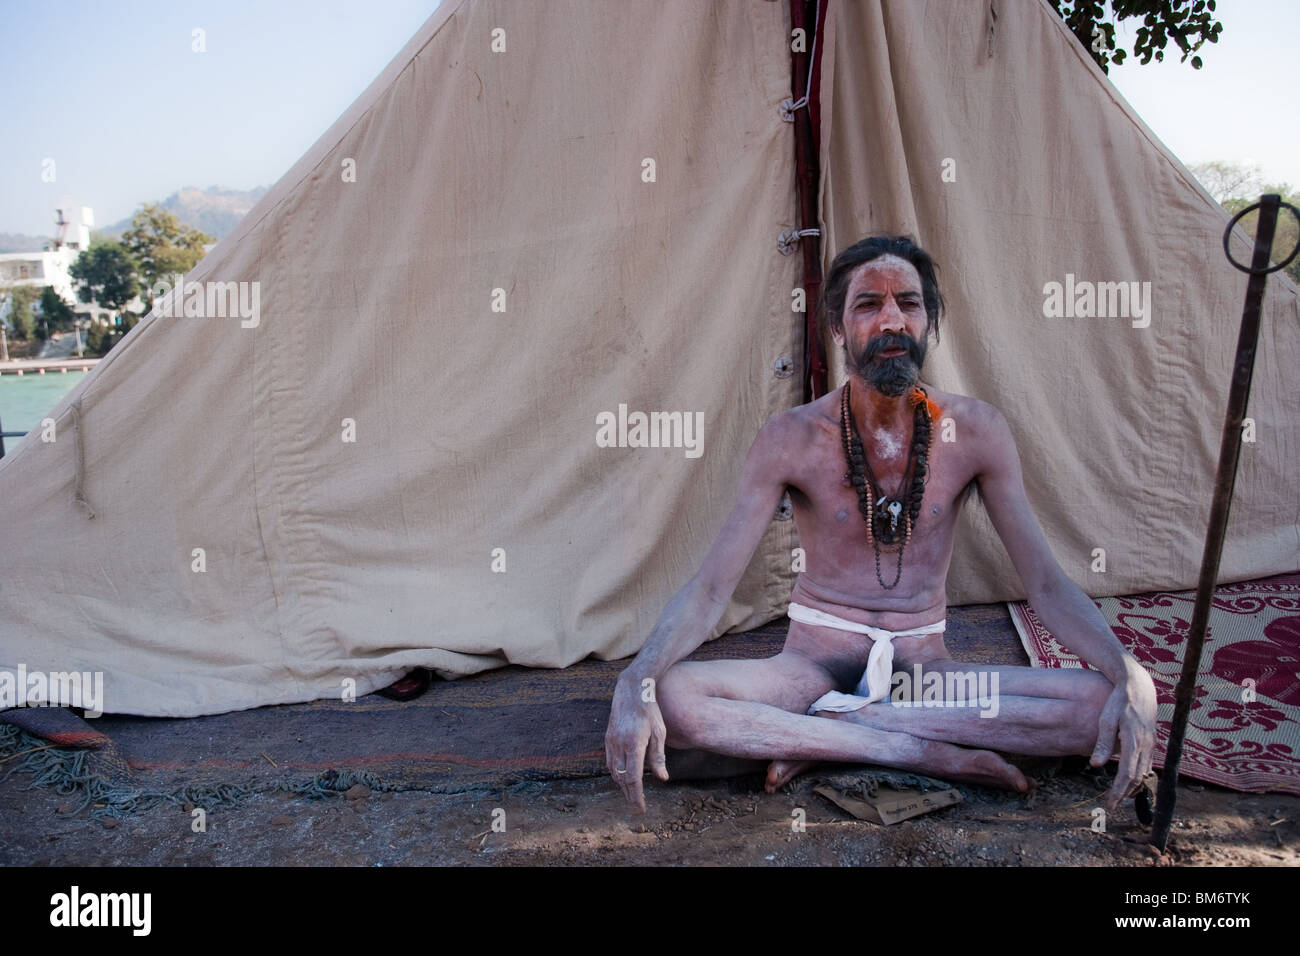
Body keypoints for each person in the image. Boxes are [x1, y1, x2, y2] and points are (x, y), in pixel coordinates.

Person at [604, 235, 1158, 814]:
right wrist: (635, 677)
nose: (892, 319)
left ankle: (838, 736)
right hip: (810, 670)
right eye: (868, 305)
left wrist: (1127, 669)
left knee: (1100, 701)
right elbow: (712, 588)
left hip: (922, 681)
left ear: (930, 322)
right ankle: (919, 752)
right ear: (839, 330)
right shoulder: (790, 438)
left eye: (909, 303)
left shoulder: (977, 431)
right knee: (668, 695)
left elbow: (1045, 584)